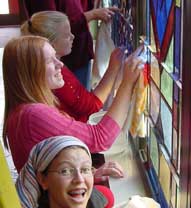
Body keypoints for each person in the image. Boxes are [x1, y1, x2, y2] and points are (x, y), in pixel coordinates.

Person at [2, 35, 144, 172]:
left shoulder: (24, 110)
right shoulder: (33, 115)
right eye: (50, 61)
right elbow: (101, 138)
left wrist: (92, 175)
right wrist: (127, 83)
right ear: (30, 72)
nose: (60, 64)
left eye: (56, 57)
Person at [16, 135, 143, 208]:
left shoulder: (104, 200)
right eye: (65, 171)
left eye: (85, 169)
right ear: (43, 179)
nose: (79, 179)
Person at [21, 11, 123, 122]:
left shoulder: (45, 67)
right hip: (74, 132)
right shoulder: (57, 73)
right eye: (66, 35)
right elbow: (91, 107)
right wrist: (113, 68)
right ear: (51, 43)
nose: (72, 36)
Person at [23, 0, 120, 90]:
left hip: (79, 52)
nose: (71, 36)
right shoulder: (56, 67)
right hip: (65, 59)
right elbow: (49, 26)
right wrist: (93, 14)